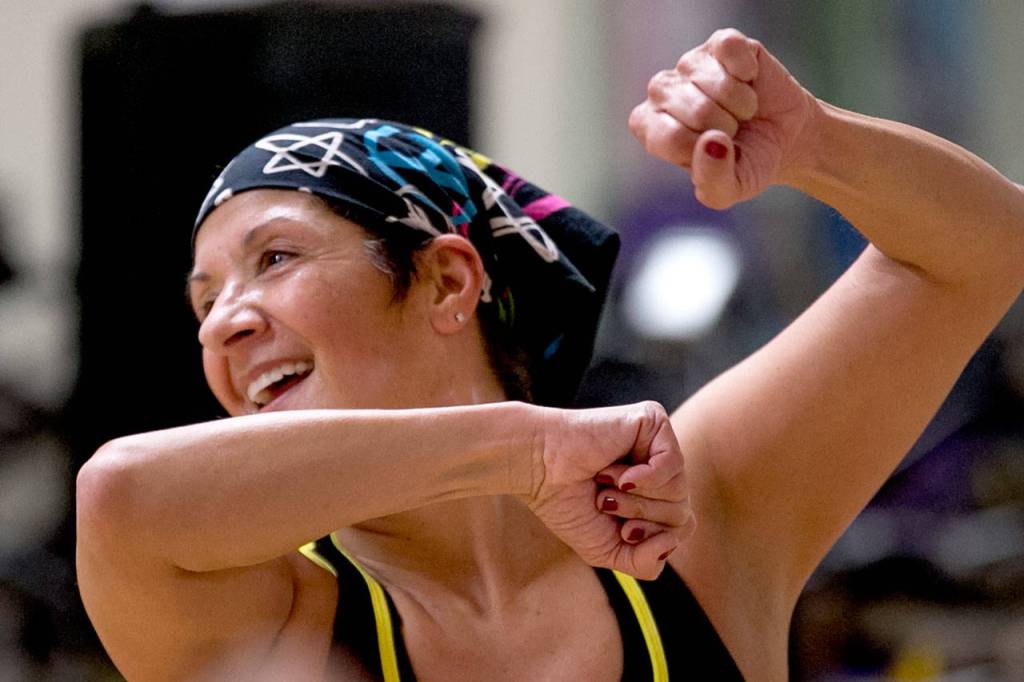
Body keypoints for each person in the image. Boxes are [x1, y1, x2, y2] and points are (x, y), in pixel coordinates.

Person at [76, 28, 1024, 681]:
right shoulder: (275, 607)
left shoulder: (690, 524)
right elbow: (123, 499)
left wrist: (812, 141)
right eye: (204, 301)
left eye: (275, 260)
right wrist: (525, 452)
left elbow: (982, 249)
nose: (223, 324)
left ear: (448, 281)